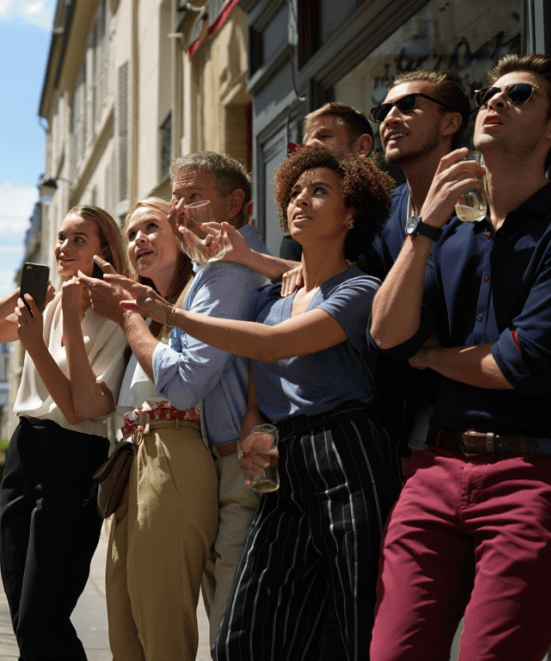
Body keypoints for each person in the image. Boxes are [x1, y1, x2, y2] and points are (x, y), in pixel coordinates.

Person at [368, 53, 551, 661]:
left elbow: (517, 364)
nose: (495, 101)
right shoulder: (447, 232)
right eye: (490, 93)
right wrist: (423, 228)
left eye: (519, 95)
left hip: (537, 479)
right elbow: (388, 335)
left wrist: (430, 358)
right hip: (435, 473)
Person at [110, 145, 404, 660]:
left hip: (348, 452)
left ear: (351, 212)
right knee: (242, 636)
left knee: (354, 622)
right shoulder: (275, 297)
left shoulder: (360, 288)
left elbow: (269, 345)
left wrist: (165, 314)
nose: (300, 202)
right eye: (293, 192)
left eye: (319, 192)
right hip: (281, 460)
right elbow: (256, 369)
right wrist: (253, 428)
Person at [87, 151, 291, 649]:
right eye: (175, 198)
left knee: (222, 631)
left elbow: (184, 383)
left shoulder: (225, 273)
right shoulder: (211, 273)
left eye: (192, 198)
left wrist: (131, 313)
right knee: (171, 622)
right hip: (208, 457)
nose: (180, 211)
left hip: (229, 463)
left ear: (237, 203)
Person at [0, 205, 134, 661]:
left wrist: (42, 342)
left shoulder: (118, 317)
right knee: (24, 615)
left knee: (40, 620)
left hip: (75, 460)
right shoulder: (47, 307)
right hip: (24, 452)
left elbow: (81, 410)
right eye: (61, 237)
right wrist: (21, 297)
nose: (63, 247)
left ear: (104, 251)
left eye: (79, 240)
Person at [99, 197, 217, 660]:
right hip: (133, 457)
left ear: (181, 236)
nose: (138, 240)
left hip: (176, 450)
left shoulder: (199, 296)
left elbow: (189, 384)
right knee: (122, 619)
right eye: (131, 234)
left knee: (161, 620)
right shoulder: (144, 316)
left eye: (151, 227)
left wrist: (130, 314)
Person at [279, 102, 375, 261]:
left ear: (362, 146)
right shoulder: (298, 226)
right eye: (295, 194)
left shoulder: (390, 214)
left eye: (324, 136)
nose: (310, 145)